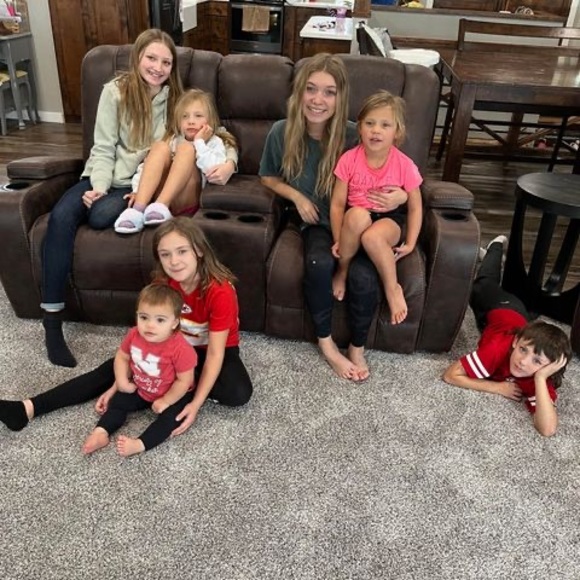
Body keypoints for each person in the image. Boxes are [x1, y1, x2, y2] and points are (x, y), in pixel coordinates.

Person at [0, 218, 253, 436]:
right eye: (165, 254)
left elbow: (216, 354)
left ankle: (178, 384)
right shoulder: (163, 283)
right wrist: (121, 380)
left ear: (198, 250)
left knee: (238, 392)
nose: (174, 261)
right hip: (171, 344)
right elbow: (144, 336)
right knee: (111, 369)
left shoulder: (219, 290)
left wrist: (195, 405)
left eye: (182, 251)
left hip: (212, 350)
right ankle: (28, 408)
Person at [259, 53, 407, 382]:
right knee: (319, 263)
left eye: (329, 92)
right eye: (311, 89)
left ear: (340, 98)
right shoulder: (281, 132)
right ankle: (326, 344)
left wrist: (403, 196)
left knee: (364, 278)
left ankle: (357, 347)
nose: (318, 100)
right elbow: (267, 177)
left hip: (362, 224)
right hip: (317, 223)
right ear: (299, 91)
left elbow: (400, 170)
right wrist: (297, 196)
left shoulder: (358, 134)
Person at [41, 28, 183, 369]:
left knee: (101, 216)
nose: (158, 67)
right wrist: (99, 186)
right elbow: (103, 147)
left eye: (166, 62)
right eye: (151, 58)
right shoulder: (115, 91)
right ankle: (52, 323)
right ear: (137, 58)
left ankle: (110, 202)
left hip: (135, 184)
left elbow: (170, 150)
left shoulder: (175, 99)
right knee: (61, 217)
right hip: (102, 175)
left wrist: (143, 188)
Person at [442, 235, 571, 437]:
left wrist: (540, 378)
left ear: (549, 367)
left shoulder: (540, 377)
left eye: (537, 361)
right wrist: (497, 387)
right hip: (501, 308)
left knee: (527, 314)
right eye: (523, 350)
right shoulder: (498, 349)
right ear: (516, 342)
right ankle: (495, 247)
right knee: (482, 284)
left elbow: (547, 429)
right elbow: (450, 375)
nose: (523, 361)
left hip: (513, 324)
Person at [330, 90, 423, 325]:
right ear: (360, 128)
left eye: (385, 125)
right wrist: (338, 238)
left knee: (372, 237)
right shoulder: (348, 159)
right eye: (369, 123)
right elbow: (338, 204)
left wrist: (411, 242)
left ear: (397, 132)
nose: (376, 130)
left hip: (389, 219)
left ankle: (393, 288)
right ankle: (342, 270)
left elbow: (415, 207)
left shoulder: (404, 164)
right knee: (357, 216)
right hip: (356, 217)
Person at [82, 284, 197, 457]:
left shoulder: (181, 349)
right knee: (118, 401)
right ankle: (101, 432)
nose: (150, 325)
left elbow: (184, 381)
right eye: (144, 317)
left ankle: (140, 444)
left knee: (172, 419)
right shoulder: (134, 334)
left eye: (160, 320)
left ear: (174, 322)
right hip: (142, 387)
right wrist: (121, 381)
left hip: (173, 393)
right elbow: (122, 357)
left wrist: (166, 400)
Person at [114, 88, 238, 234]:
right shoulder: (173, 140)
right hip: (156, 200)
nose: (191, 121)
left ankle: (161, 206)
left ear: (210, 121)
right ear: (178, 122)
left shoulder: (214, 142)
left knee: (186, 149)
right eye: (185, 117)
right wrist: (137, 191)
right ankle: (137, 210)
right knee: (159, 147)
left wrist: (199, 143)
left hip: (187, 199)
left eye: (198, 116)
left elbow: (211, 169)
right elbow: (145, 167)